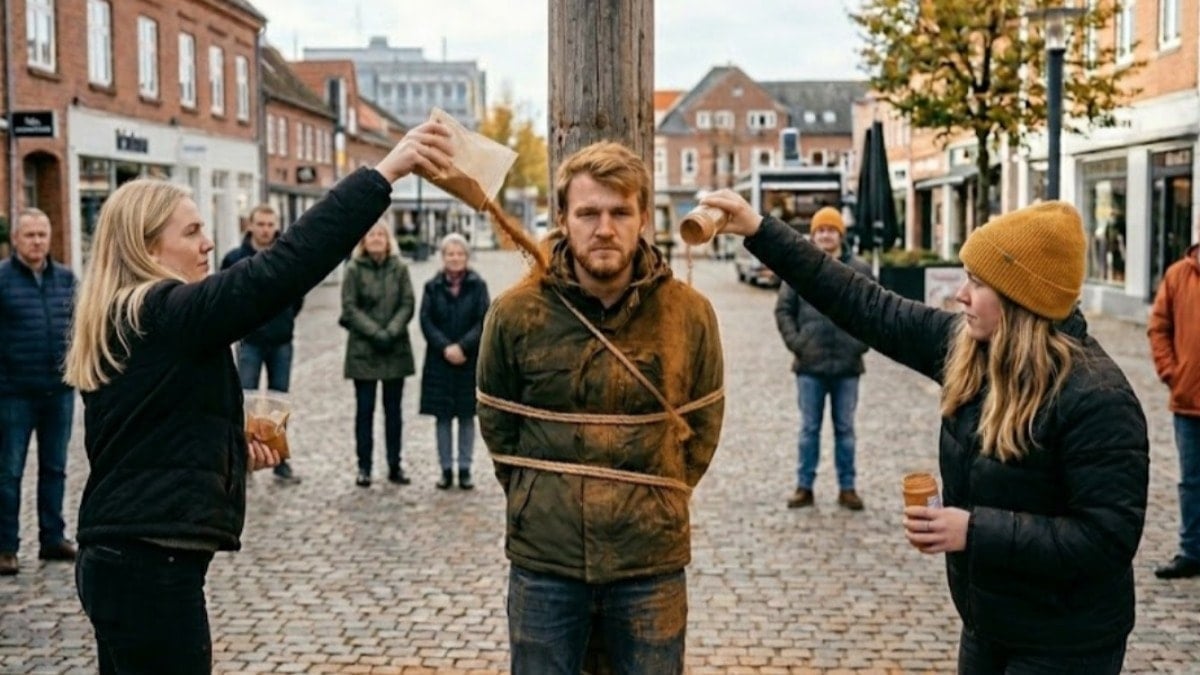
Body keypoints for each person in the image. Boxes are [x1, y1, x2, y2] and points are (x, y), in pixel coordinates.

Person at [63, 122, 451, 674]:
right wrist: (382, 174)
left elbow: (146, 437)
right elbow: (282, 268)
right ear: (149, 245)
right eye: (192, 231)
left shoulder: (124, 317)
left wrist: (227, 450)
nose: (208, 242)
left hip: (122, 557)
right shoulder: (167, 310)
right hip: (149, 566)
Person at [708, 193, 1148, 674]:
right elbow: (864, 303)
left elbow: (1107, 538)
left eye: (978, 283)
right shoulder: (968, 347)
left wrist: (974, 531)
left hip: (1068, 642)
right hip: (987, 626)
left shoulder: (1098, 398)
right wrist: (758, 229)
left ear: (1022, 298)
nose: (961, 294)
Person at [477, 141, 725, 674]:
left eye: (620, 212)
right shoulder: (515, 314)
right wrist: (536, 496)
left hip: (649, 559)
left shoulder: (689, 315)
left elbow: (702, 427)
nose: (604, 228)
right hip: (546, 558)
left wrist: (655, 498)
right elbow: (498, 427)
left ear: (643, 220)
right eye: (588, 213)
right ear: (563, 218)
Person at [774, 206, 871, 510]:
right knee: (808, 429)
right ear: (813, 235)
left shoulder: (860, 269)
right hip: (810, 364)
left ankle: (847, 487)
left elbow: (873, 311)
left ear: (840, 234)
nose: (825, 235)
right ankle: (804, 486)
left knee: (845, 430)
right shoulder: (799, 267)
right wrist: (798, 343)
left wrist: (859, 344)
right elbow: (783, 310)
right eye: (820, 230)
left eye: (831, 230)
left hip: (847, 364)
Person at [0, 208, 78, 576]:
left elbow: (78, 330)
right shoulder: (2, 281)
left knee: (55, 468)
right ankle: (5, 546)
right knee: (8, 471)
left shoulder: (66, 279)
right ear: (15, 239)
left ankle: (52, 537)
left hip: (58, 392)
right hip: (13, 394)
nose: (36, 241)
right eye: (29, 235)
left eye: (42, 235)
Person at [220, 204, 302, 485]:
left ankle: (279, 460)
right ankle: (245, 458)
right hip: (250, 341)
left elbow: (297, 294)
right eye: (261, 224)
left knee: (279, 402)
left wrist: (285, 318)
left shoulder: (286, 257)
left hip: (281, 340)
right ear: (251, 225)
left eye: (270, 224)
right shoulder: (235, 258)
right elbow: (224, 295)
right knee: (244, 400)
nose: (266, 229)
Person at [340, 221, 417, 488]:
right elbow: (349, 307)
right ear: (364, 240)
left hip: (395, 348)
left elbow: (408, 302)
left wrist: (391, 331)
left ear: (388, 239)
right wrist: (375, 333)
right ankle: (364, 466)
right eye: (371, 234)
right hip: (364, 350)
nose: (376, 239)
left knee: (393, 412)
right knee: (365, 411)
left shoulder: (400, 268)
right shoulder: (353, 269)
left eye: (381, 234)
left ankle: (394, 464)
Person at [418, 233, 490, 490]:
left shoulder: (478, 286)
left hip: (468, 360)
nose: (455, 258)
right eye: (450, 253)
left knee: (467, 417)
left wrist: (462, 346)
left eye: (460, 253)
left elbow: (484, 320)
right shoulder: (432, 286)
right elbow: (426, 321)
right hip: (440, 361)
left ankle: (465, 468)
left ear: (467, 257)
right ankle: (446, 469)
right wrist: (446, 347)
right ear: (443, 257)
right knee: (444, 418)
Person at [1148, 242, 1200, 579]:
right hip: (1189, 399)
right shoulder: (1179, 275)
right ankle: (1192, 550)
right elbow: (1159, 327)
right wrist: (1172, 372)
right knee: (1192, 481)